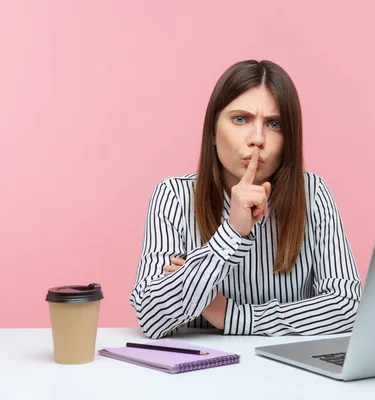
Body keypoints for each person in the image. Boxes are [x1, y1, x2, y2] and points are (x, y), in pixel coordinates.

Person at [130, 59, 362, 339]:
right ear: (213, 131)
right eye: (240, 119)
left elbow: (348, 306)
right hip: (200, 373)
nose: (257, 139)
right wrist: (232, 234)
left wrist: (232, 315)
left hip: (288, 375)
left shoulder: (312, 193)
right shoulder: (174, 197)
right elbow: (152, 317)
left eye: (274, 124)